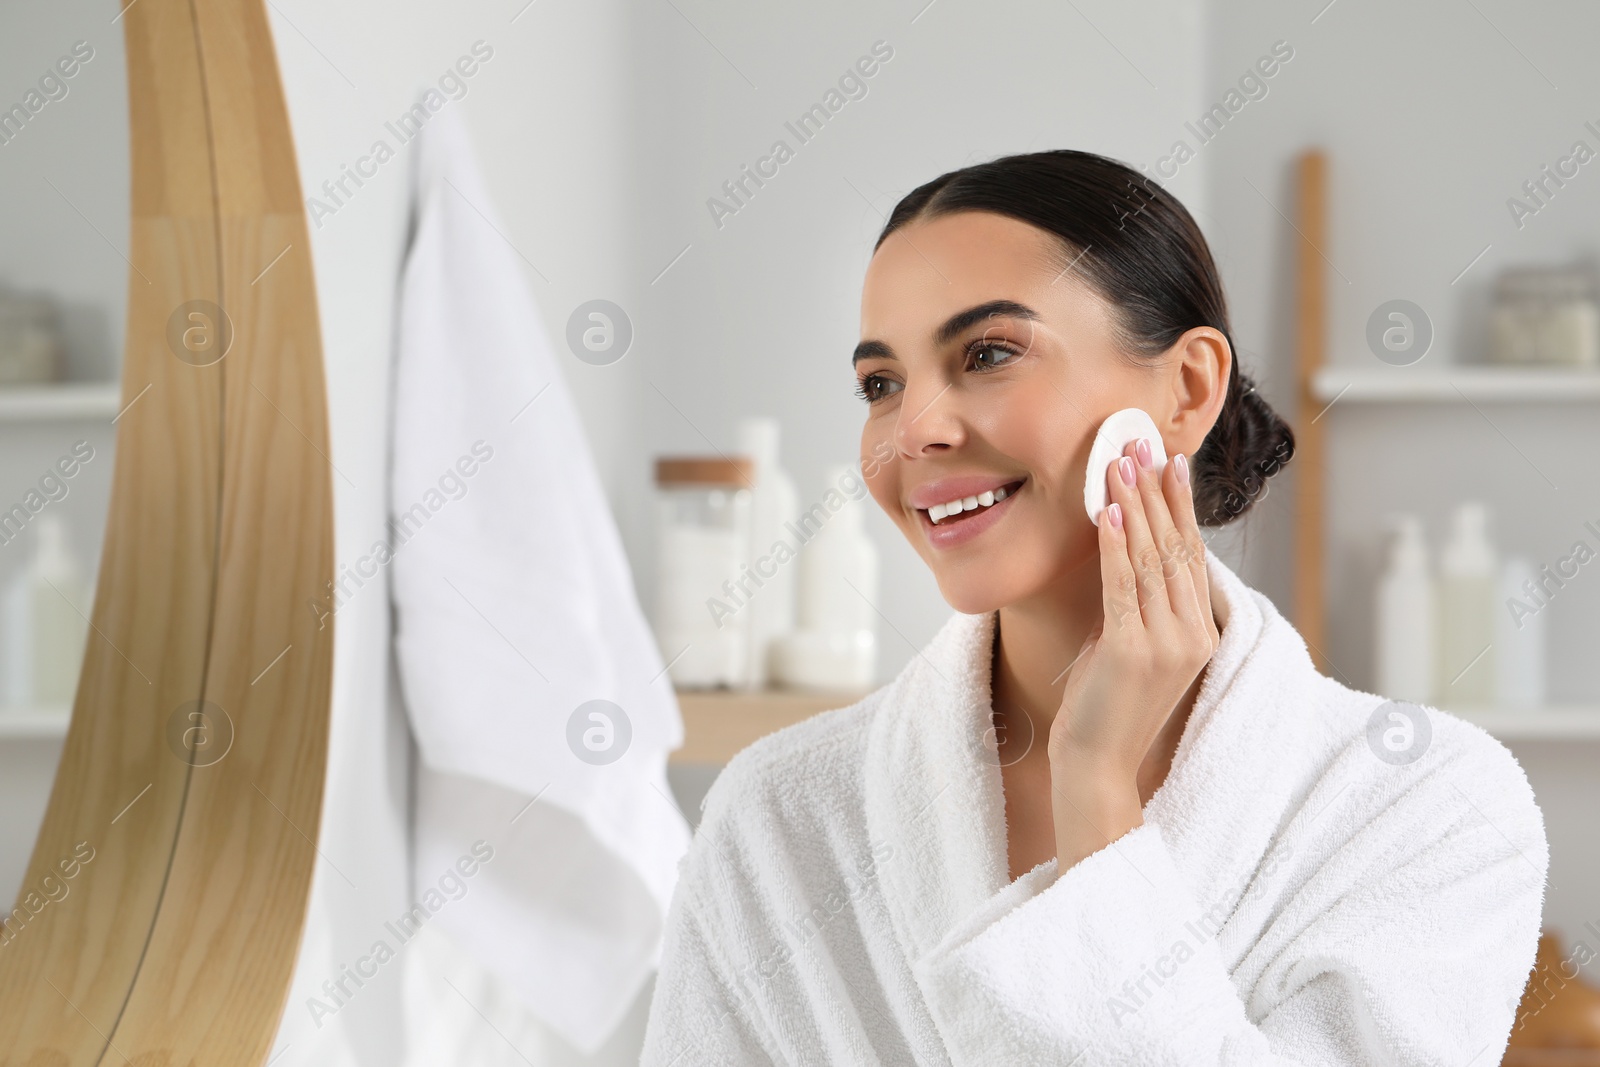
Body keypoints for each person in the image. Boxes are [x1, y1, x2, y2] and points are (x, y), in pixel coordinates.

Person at [639, 150, 1546, 1065]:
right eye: (882, 384)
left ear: (1189, 388)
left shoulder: (1426, 806)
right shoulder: (778, 817)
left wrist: (1097, 791)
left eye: (987, 354)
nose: (915, 429)